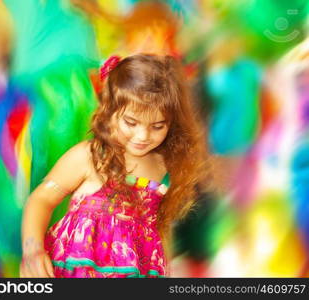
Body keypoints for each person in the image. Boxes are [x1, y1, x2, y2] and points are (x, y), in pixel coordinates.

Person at [19, 54, 211, 278]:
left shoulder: (164, 168)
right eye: (131, 122)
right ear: (110, 111)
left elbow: (159, 232)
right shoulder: (91, 157)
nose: (143, 135)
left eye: (158, 126)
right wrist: (33, 250)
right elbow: (41, 199)